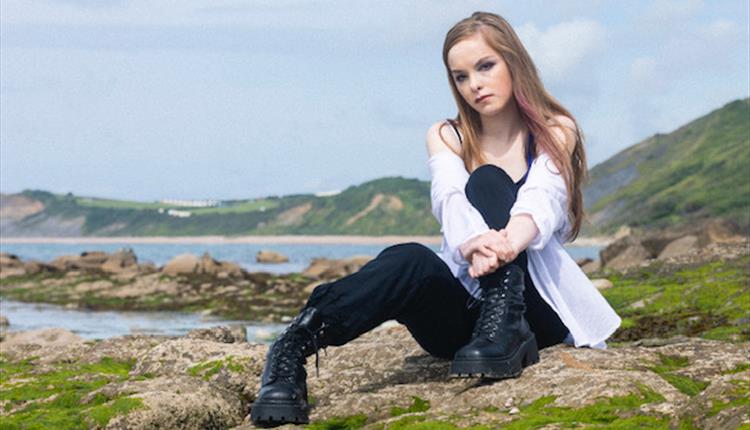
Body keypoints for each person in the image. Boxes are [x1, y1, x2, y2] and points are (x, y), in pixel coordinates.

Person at [250, 11, 621, 426]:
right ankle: (291, 348)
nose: (474, 85)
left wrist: (507, 244)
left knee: (487, 182)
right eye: (460, 76)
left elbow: (543, 198)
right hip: (465, 325)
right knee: (408, 257)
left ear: (513, 61)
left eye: (485, 66)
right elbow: (447, 196)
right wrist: (472, 243)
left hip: (532, 316)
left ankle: (505, 322)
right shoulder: (447, 134)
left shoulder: (556, 128)